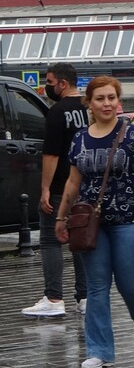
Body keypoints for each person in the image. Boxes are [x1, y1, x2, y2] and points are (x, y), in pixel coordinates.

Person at [54, 76, 134, 368]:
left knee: (129, 284)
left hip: (129, 219)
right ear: (89, 103)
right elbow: (73, 182)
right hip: (90, 222)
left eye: (111, 98)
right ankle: (100, 351)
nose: (107, 104)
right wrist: (62, 216)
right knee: (97, 287)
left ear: (119, 101)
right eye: (100, 98)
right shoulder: (80, 138)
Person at [22, 63, 89, 318]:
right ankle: (84, 297)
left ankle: (53, 297)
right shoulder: (87, 107)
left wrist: (45, 189)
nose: (46, 87)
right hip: (84, 185)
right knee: (80, 241)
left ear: (62, 83)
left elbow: (51, 154)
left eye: (49, 82)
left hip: (62, 183)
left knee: (50, 240)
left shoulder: (57, 112)